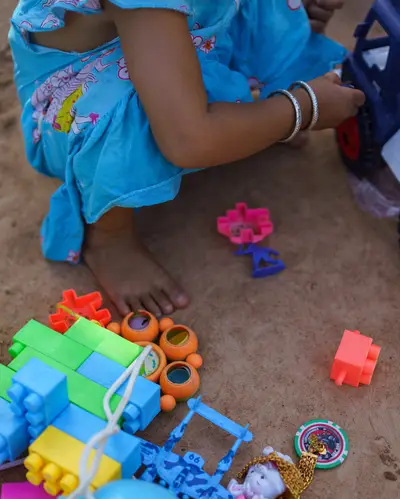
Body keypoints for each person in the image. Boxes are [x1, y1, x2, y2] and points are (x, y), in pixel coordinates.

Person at [9, 0, 365, 317]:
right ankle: (108, 239)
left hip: (185, 32)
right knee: (136, 126)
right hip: (83, 87)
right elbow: (187, 141)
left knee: (272, 10)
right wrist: (301, 109)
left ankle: (256, 113)